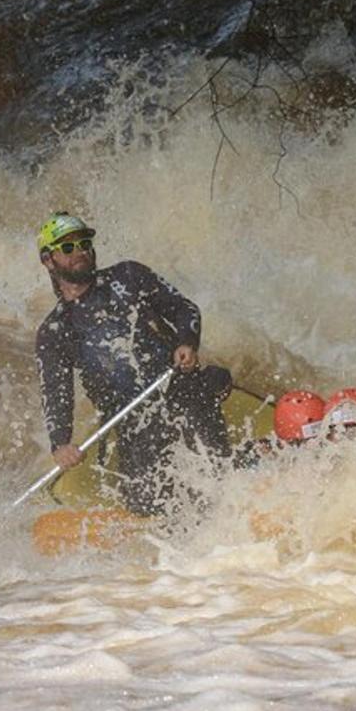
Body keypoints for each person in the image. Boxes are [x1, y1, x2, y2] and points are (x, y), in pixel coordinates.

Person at [35, 212, 232, 516]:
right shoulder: (55, 331)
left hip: (181, 391)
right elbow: (56, 391)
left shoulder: (129, 277)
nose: (81, 252)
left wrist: (186, 343)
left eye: (84, 243)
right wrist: (60, 443)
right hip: (132, 423)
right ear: (49, 261)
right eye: (69, 248)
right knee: (145, 504)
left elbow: (184, 309)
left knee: (216, 472)